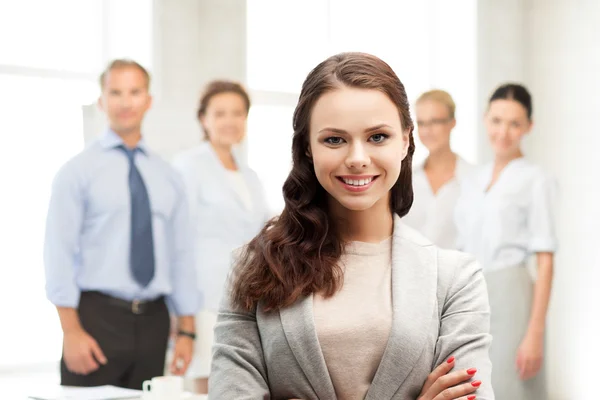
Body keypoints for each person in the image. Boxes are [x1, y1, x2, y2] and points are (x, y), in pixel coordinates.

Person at [208, 52, 494, 399]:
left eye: (377, 137)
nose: (357, 158)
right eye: (334, 139)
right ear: (308, 147)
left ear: (405, 140)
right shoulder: (253, 267)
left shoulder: (455, 280)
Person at [44, 59, 199, 389]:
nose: (125, 102)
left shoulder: (168, 177)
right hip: (96, 321)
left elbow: (181, 255)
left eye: (134, 92)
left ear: (148, 100)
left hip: (155, 322)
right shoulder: (77, 172)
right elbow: (58, 254)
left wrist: (187, 330)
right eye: (115, 92)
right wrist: (70, 332)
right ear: (101, 101)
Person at [455, 83, 557, 399]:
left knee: (512, 386)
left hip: (512, 295)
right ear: (485, 120)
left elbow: (545, 259)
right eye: (497, 120)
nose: (504, 131)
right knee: (472, 386)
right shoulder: (473, 178)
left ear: (529, 126)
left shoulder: (536, 179)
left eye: (514, 123)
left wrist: (535, 333)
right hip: (471, 295)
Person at [172, 80, 271, 393]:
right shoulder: (188, 166)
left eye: (238, 113)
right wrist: (183, 317)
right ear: (204, 119)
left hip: (244, 296)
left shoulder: (249, 174)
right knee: (206, 384)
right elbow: (177, 243)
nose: (230, 121)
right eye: (220, 113)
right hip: (204, 299)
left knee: (238, 383)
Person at [403, 90, 474, 249]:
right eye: (421, 123)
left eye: (435, 122)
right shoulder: (406, 179)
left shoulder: (474, 180)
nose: (427, 130)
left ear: (452, 122)